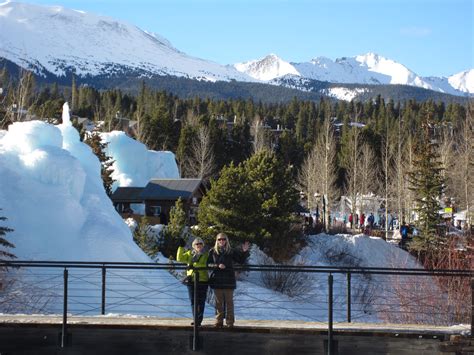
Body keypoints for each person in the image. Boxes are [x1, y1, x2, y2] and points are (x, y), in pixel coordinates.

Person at [207, 233, 250, 328]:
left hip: (229, 279)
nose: (221, 241)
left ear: (226, 240)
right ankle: (218, 321)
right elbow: (208, 264)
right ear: (217, 241)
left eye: (223, 239)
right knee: (218, 303)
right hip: (217, 279)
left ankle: (230, 322)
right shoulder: (212, 251)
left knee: (229, 302)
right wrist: (217, 266)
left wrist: (244, 252)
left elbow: (241, 261)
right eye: (219, 239)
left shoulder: (231, 251)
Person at [176, 237, 209, 326]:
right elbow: (179, 258)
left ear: (203, 245)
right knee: (193, 301)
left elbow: (205, 264)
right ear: (193, 246)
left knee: (201, 301)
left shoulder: (206, 255)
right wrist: (181, 247)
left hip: (202, 280)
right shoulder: (189, 253)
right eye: (196, 244)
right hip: (191, 279)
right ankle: (195, 319)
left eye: (200, 244)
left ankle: (199, 319)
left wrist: (193, 265)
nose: (198, 245)